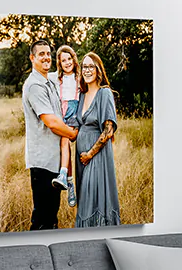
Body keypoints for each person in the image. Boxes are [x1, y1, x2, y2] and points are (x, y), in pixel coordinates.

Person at [22, 40, 78, 230]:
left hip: (53, 161)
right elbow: (52, 122)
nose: (46, 57)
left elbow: (68, 74)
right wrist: (72, 133)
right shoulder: (35, 86)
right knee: (42, 219)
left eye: (48, 53)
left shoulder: (50, 81)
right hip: (42, 162)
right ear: (32, 58)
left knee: (51, 218)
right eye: (41, 54)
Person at [73, 52, 121, 227]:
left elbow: (108, 131)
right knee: (84, 200)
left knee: (91, 203)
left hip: (96, 157)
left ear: (98, 69)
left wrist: (89, 154)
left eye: (90, 66)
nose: (87, 70)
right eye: (84, 67)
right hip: (81, 160)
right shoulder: (81, 96)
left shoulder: (104, 93)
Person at [48, 45, 81, 207]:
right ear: (59, 64)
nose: (67, 62)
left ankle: (65, 177)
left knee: (66, 143)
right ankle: (69, 183)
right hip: (63, 115)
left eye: (69, 59)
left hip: (76, 116)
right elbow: (43, 75)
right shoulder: (57, 78)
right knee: (64, 143)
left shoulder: (80, 77)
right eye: (63, 61)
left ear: (74, 60)